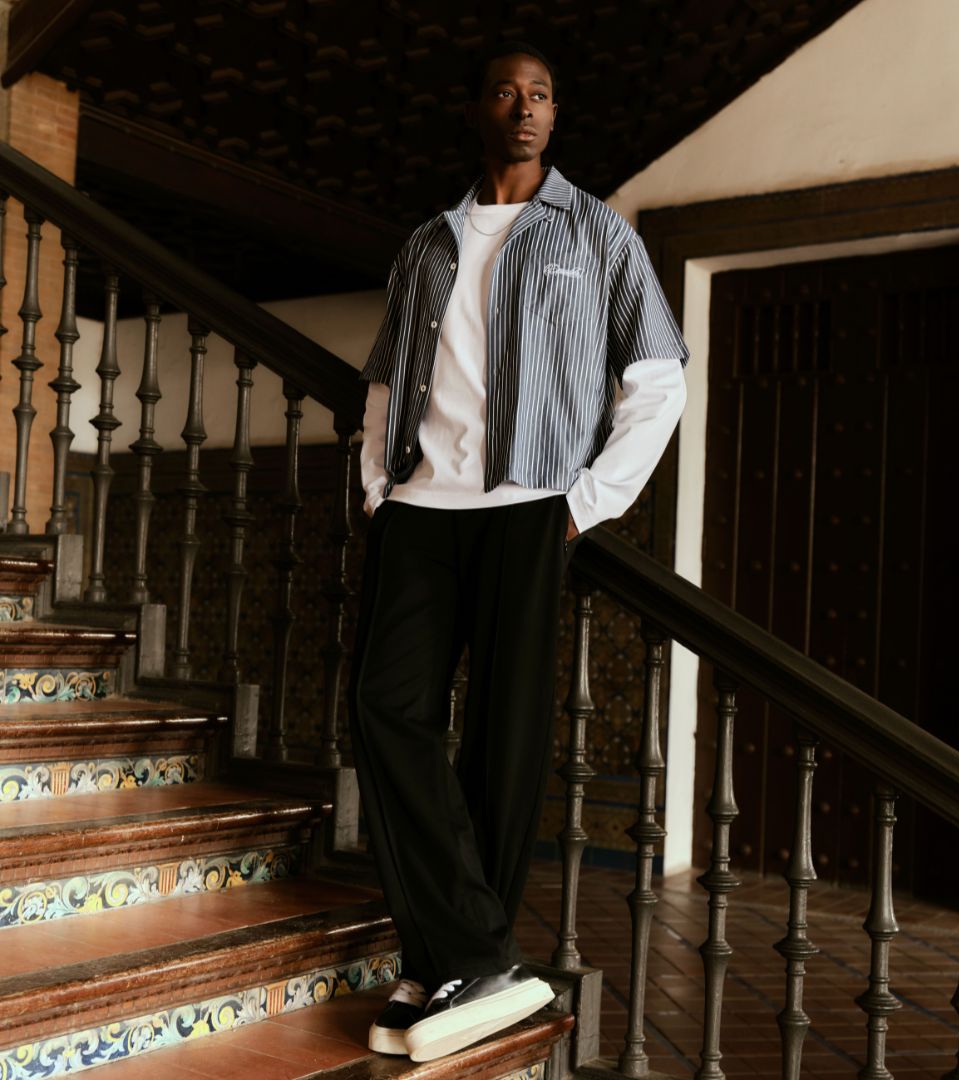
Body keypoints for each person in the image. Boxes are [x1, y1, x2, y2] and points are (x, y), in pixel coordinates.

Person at [348, 40, 689, 1064]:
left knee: (503, 737)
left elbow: (659, 378)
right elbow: (385, 380)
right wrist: (378, 490)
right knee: (385, 708)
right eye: (506, 92)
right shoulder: (427, 243)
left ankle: (443, 963)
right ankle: (473, 947)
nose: (525, 107)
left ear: (555, 113)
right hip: (419, 509)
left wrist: (584, 505)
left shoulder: (597, 234)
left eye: (541, 94)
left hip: (530, 509)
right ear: (478, 110)